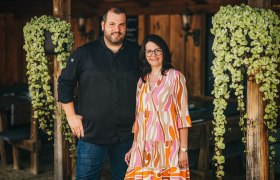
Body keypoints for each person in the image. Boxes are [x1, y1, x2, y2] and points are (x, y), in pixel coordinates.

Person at [57, 7, 140, 180]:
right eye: (112, 24)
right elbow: (65, 83)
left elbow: (152, 82)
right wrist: (71, 116)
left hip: (127, 136)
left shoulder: (138, 53)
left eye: (121, 25)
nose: (116, 29)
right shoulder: (84, 53)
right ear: (103, 25)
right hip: (91, 134)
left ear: (125, 27)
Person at [124, 34, 192, 179]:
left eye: (157, 50)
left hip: (168, 146)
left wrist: (183, 149)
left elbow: (183, 116)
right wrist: (134, 145)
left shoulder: (175, 77)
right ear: (144, 55)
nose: (153, 55)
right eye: (148, 51)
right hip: (143, 147)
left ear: (164, 52)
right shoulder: (141, 81)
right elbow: (139, 118)